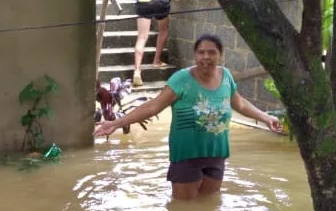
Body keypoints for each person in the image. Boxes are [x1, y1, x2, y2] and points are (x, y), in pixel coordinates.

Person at [94, 34, 284, 200]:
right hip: (186, 154)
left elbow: (239, 103)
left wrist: (266, 118)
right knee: (183, 209)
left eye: (212, 52)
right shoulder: (181, 80)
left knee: (209, 206)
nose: (206, 57)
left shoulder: (226, 77)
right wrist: (116, 123)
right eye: (201, 52)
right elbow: (153, 106)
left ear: (221, 55)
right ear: (195, 55)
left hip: (216, 153)